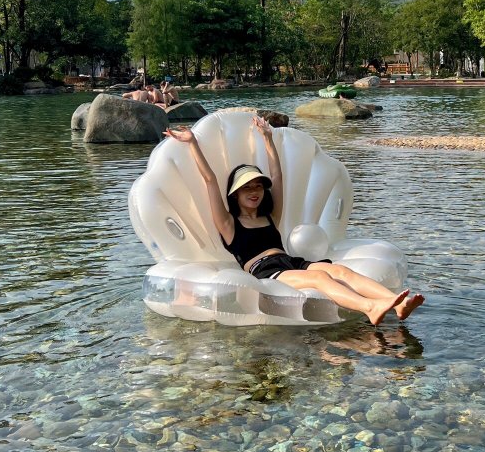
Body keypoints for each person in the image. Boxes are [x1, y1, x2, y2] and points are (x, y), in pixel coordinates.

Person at [164, 116, 424, 325]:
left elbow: (277, 177)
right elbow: (210, 180)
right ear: (235, 194)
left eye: (257, 186)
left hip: (291, 260)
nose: (254, 191)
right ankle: (370, 307)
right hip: (267, 271)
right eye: (247, 188)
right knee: (322, 281)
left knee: (339, 271)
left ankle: (398, 302)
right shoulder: (229, 225)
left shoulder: (270, 215)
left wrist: (268, 139)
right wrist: (192, 143)